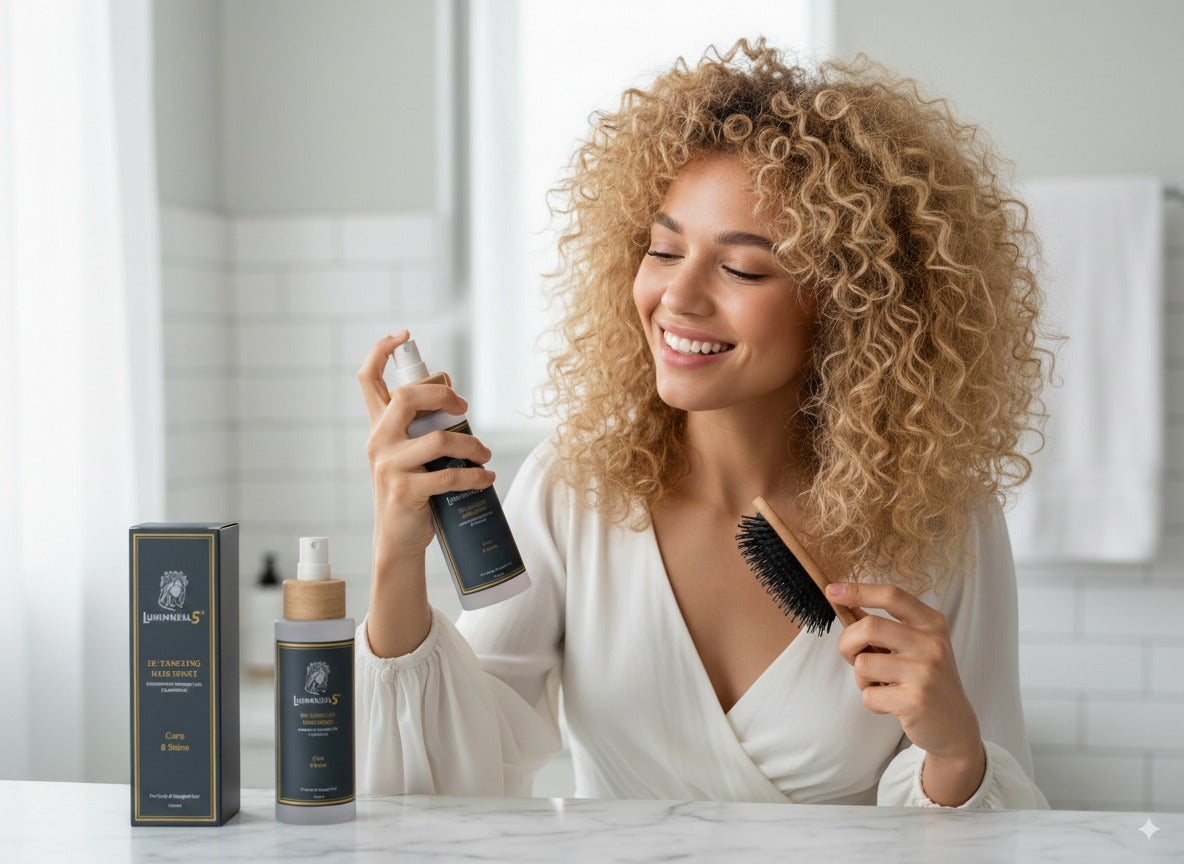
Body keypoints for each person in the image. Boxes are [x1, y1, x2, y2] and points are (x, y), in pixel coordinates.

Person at [354, 38, 1053, 808]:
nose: (677, 297)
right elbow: (450, 777)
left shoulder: (939, 521)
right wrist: (396, 556)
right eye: (662, 250)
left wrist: (954, 751)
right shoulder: (576, 488)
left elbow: (1000, 824)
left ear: (851, 303)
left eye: (743, 268)